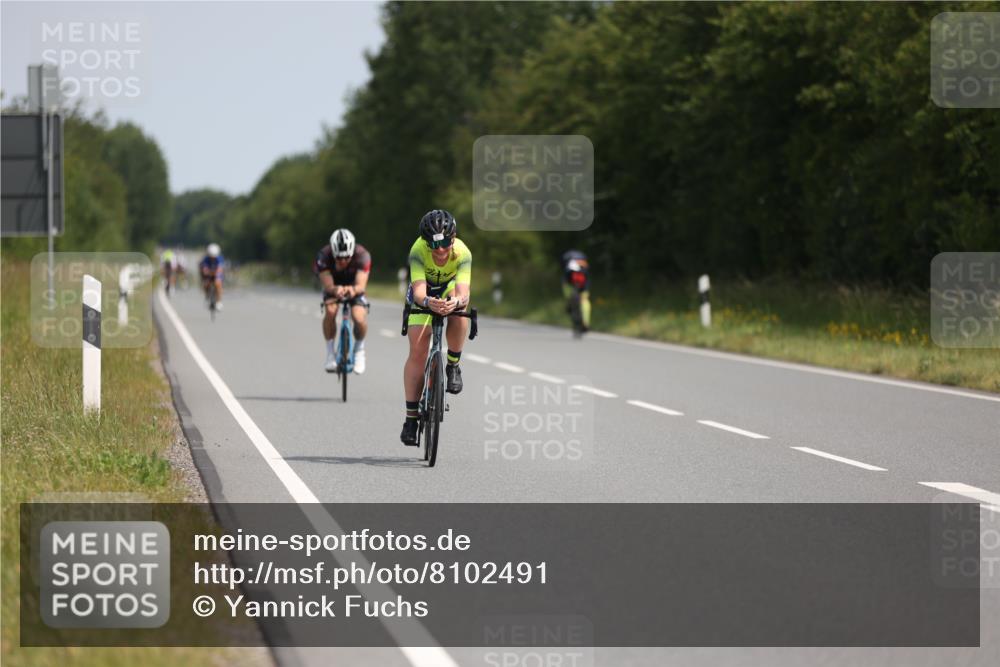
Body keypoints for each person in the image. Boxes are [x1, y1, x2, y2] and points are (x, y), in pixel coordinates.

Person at [400, 209, 472, 446]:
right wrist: (429, 302)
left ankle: (453, 364)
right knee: (418, 350)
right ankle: (411, 419)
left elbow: (463, 293)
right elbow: (419, 291)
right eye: (433, 244)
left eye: (444, 243)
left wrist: (455, 303)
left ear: (453, 238)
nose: (440, 250)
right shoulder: (418, 250)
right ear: (425, 242)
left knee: (461, 314)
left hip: (449, 289)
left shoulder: (463, 253)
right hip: (424, 293)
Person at [313, 228, 371, 374]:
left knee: (358, 316)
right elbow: (328, 285)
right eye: (339, 258)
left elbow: (361, 285)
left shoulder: (362, 256)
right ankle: (330, 353)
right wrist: (335, 290)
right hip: (333, 285)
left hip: (354, 285)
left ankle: (359, 350)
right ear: (333, 253)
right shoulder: (323, 256)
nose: (343, 261)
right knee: (331, 311)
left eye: (347, 258)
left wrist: (353, 290)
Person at [561, 249, 591, 333]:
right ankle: (586, 323)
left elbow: (565, 282)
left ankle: (585, 323)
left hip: (576, 285)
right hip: (575, 285)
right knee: (584, 301)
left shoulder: (571, 266)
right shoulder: (583, 265)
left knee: (583, 300)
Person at [199, 243, 225, 309]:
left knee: (218, 284)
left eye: (214, 257)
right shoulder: (206, 259)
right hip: (209, 274)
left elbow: (220, 269)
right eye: (211, 257)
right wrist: (207, 272)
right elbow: (204, 270)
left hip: (217, 274)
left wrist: (215, 273)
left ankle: (219, 301)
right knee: (205, 284)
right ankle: (207, 296)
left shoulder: (220, 258)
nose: (213, 258)